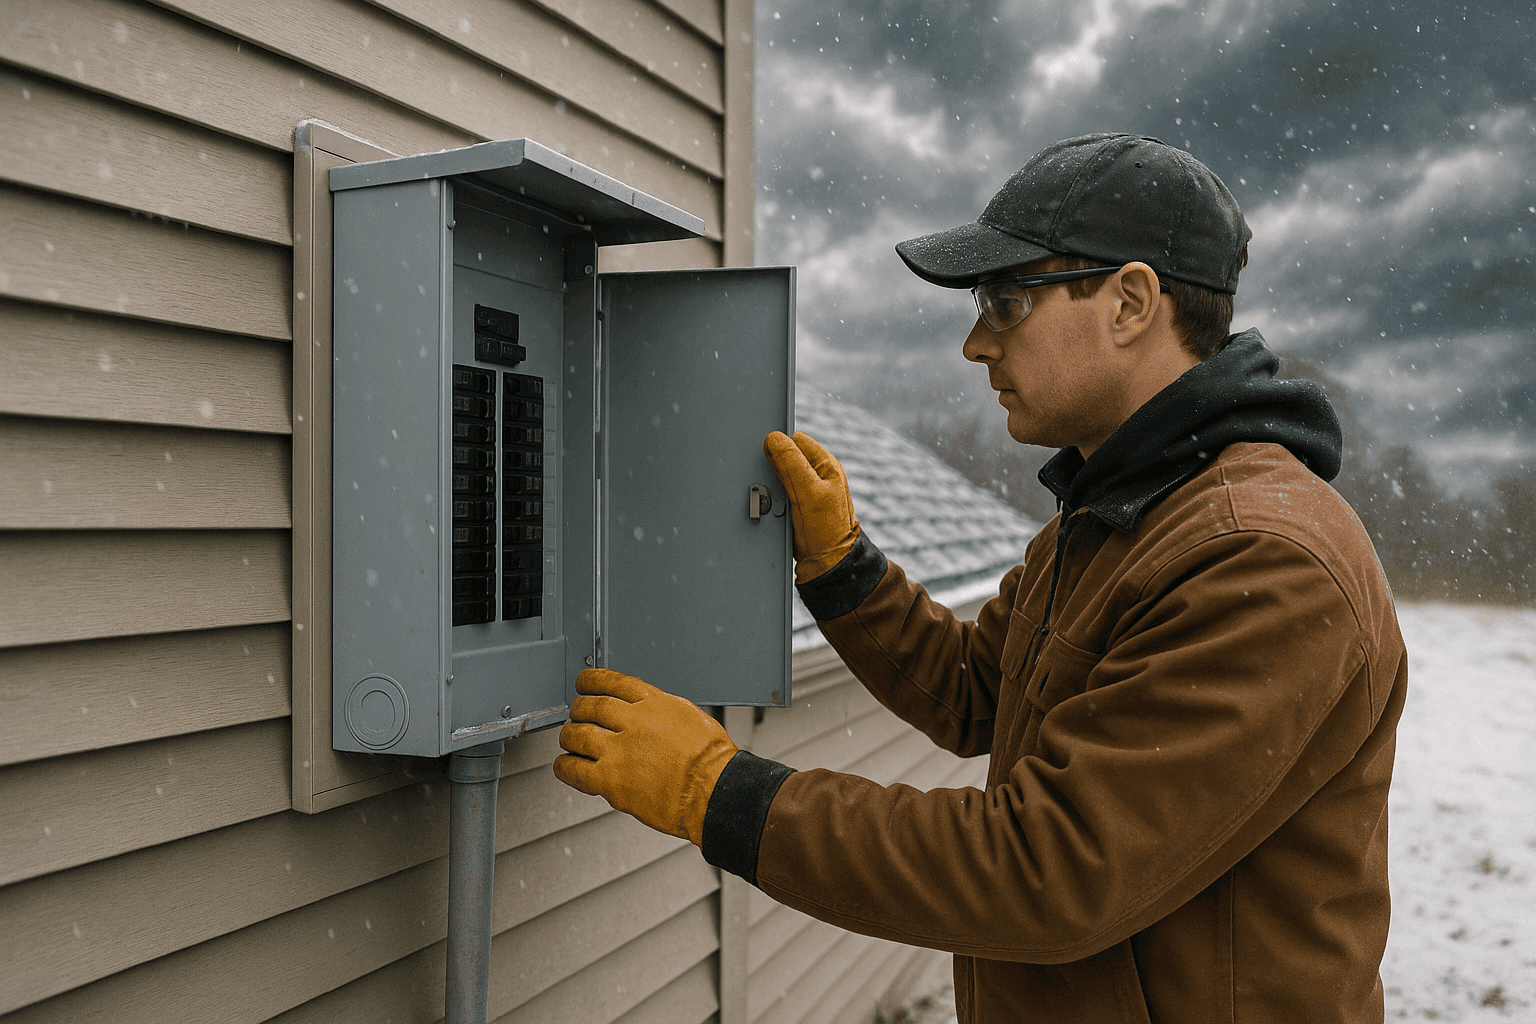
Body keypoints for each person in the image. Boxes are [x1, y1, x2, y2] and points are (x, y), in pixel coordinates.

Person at [554, 133, 1407, 1024]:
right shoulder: (1119, 513)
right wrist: (842, 568)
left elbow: (1049, 870)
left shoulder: (1261, 560)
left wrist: (716, 792)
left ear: (1130, 301)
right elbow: (976, 693)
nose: (973, 344)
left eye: (1005, 301)